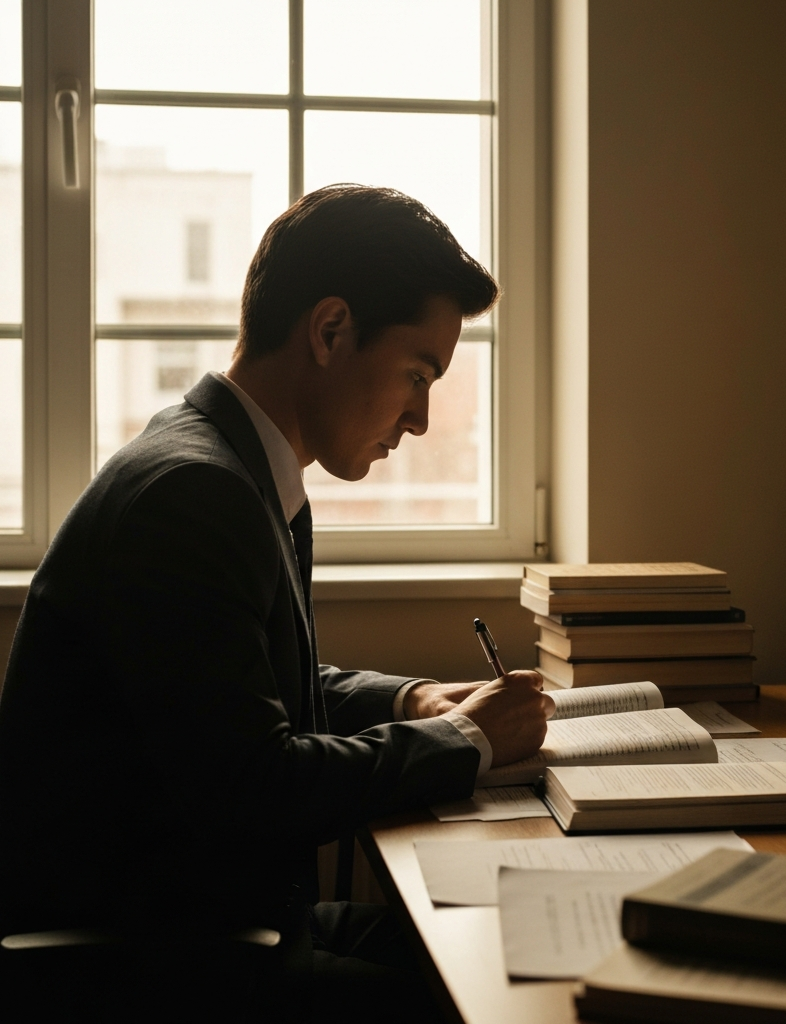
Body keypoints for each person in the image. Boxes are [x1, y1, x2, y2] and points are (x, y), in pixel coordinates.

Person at [0, 184, 553, 1021]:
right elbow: (254, 786)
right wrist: (466, 740)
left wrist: (413, 699)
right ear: (330, 331)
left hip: (210, 923)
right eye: (416, 373)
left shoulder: (229, 465)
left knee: (512, 947)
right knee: (495, 998)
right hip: (152, 961)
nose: (422, 418)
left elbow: (252, 691)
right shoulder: (194, 492)